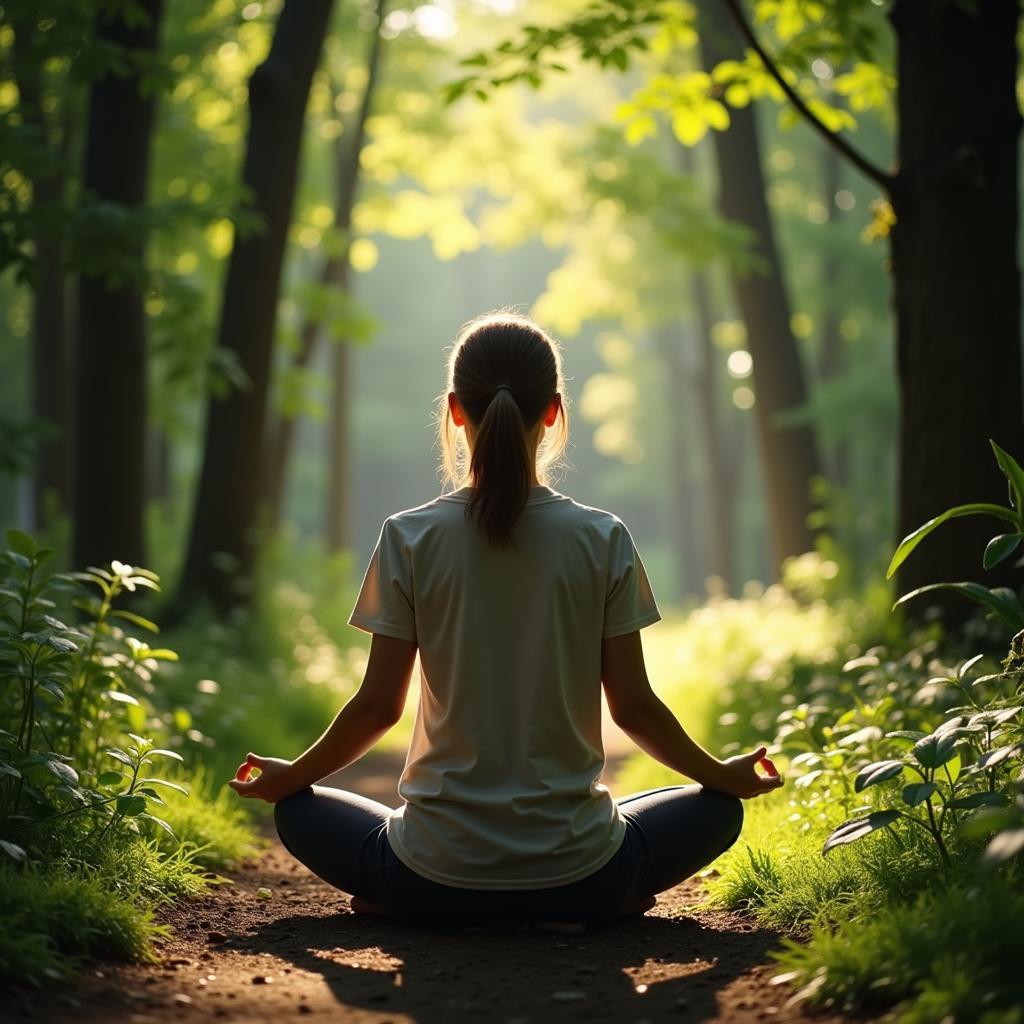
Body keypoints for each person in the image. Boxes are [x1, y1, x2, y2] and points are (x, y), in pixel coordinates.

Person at [229, 312, 782, 926]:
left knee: (300, 811)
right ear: (552, 412)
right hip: (583, 876)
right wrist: (720, 775)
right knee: (716, 810)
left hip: (430, 875)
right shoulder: (602, 538)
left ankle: (399, 896)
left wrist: (293, 777)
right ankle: (609, 895)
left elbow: (378, 707)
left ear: (454, 411)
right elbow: (634, 708)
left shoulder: (408, 537)